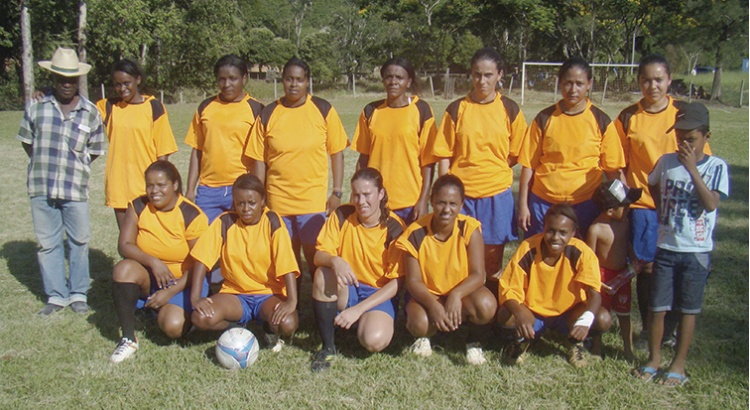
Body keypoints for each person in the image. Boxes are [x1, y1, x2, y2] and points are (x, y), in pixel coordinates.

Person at [615, 54, 712, 349]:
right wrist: (625, 198)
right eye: (646, 79)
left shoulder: (684, 114)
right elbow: (619, 163)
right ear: (638, 82)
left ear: (669, 80)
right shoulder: (629, 116)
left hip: (681, 206)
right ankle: (648, 330)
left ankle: (669, 328)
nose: (652, 85)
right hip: (644, 205)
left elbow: (703, 157)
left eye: (658, 79)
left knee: (677, 267)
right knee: (646, 268)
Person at [632, 102, 729, 386]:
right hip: (667, 248)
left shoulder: (715, 167)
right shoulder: (665, 161)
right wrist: (662, 205)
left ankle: (678, 364)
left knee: (688, 309)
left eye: (691, 139)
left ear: (706, 137)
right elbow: (652, 182)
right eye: (679, 137)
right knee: (657, 307)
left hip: (695, 252)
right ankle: (654, 358)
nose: (683, 143)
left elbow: (710, 203)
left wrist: (692, 169)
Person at [16, 47, 106, 316]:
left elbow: (94, 149)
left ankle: (78, 293)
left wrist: (72, 168)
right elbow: (27, 142)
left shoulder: (90, 112)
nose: (66, 84)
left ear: (78, 80)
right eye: (61, 78)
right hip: (41, 186)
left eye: (71, 79)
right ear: (53, 78)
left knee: (79, 241)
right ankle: (56, 296)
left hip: (74, 189)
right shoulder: (37, 107)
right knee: (48, 243)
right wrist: (47, 164)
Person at [433, 47, 527, 293]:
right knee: (459, 252)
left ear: (500, 75)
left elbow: (516, 152)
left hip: (496, 194)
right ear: (470, 75)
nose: (482, 81)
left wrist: (492, 169)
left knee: (492, 257)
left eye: (488, 75)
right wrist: (446, 191)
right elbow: (444, 153)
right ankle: (461, 306)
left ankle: (491, 310)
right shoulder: (456, 109)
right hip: (462, 197)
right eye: (477, 74)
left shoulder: (510, 109)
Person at [245, 57, 348, 278]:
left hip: (313, 201)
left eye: (299, 80)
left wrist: (337, 192)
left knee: (316, 258)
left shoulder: (322, 109)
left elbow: (337, 153)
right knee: (286, 262)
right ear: (282, 81)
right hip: (278, 200)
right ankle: (293, 305)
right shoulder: (269, 113)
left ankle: (320, 303)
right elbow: (259, 160)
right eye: (289, 79)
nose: (294, 84)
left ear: (307, 82)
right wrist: (261, 196)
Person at [109, 160, 209, 363]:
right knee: (123, 269)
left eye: (161, 185)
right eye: (150, 185)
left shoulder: (191, 214)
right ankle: (129, 338)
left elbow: (200, 264)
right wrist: (154, 262)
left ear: (174, 185)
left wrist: (170, 292)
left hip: (183, 282)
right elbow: (125, 245)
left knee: (172, 327)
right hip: (150, 276)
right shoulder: (138, 205)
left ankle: (162, 310)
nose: (154, 191)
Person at [395, 175, 497, 365]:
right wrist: (434, 305)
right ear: (431, 200)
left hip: (461, 293)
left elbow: (478, 275)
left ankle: (473, 341)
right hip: (428, 294)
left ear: (461, 204)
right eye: (441, 202)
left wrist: (456, 295)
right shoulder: (415, 233)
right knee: (420, 323)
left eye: (453, 203)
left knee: (486, 305)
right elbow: (413, 282)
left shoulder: (469, 229)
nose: (447, 209)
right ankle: (425, 336)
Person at [518, 56, 625, 237]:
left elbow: (614, 171)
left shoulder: (601, 120)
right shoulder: (544, 118)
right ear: (560, 83)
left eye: (579, 84)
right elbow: (529, 166)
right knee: (541, 257)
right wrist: (523, 205)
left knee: (578, 257)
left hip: (585, 203)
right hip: (543, 202)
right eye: (568, 83)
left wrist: (621, 206)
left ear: (589, 84)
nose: (573, 89)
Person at [189, 174, 299, 351]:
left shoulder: (272, 221)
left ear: (262, 201)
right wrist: (196, 297)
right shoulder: (225, 222)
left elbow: (287, 265)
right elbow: (202, 260)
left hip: (268, 293)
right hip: (235, 294)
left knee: (287, 324)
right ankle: (237, 329)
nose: (246, 208)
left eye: (251, 202)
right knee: (200, 318)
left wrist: (292, 301)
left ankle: (267, 327)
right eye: (240, 203)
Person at [311, 168, 405, 372]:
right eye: (356, 195)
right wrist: (334, 260)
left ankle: (359, 321)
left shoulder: (394, 227)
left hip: (377, 294)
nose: (361, 201)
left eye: (367, 195)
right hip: (349, 286)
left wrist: (358, 310)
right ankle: (328, 346)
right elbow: (318, 256)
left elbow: (397, 283)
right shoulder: (342, 215)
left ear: (380, 194)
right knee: (322, 274)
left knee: (373, 341)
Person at [499, 203, 604, 367]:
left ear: (573, 233)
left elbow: (595, 293)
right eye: (551, 230)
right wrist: (520, 314)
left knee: (602, 318)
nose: (556, 237)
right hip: (534, 313)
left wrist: (586, 320)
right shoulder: (528, 248)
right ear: (544, 228)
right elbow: (508, 289)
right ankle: (522, 340)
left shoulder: (581, 252)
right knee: (507, 314)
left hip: (568, 313)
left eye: (563, 233)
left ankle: (575, 341)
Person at [351, 57, 437, 225]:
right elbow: (363, 159)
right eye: (389, 77)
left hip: (410, 202)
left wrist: (423, 199)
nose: (393, 81)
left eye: (399, 77)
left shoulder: (421, 110)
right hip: (376, 202)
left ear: (409, 81)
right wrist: (356, 194)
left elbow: (429, 162)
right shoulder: (370, 111)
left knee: (410, 250)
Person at [97, 59, 177, 229]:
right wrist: (47, 91)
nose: (122, 89)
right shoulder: (109, 106)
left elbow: (163, 151)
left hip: (146, 186)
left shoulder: (154, 107)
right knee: (127, 240)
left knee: (150, 237)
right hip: (119, 184)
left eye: (127, 83)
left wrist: (160, 184)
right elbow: (77, 105)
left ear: (138, 80)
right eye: (117, 84)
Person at [185, 54, 264, 222]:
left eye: (233, 78)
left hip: (242, 189)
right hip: (208, 190)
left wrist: (257, 190)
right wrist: (190, 190)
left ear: (244, 78)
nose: (226, 84)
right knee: (206, 242)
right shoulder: (205, 107)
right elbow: (197, 150)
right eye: (221, 79)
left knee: (238, 243)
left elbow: (261, 158)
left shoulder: (256, 109)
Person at [587, 179, 642, 363]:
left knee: (624, 315)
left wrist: (633, 258)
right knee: (600, 312)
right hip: (603, 277)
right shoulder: (595, 229)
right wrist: (595, 280)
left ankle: (628, 348)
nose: (628, 210)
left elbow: (626, 244)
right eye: (625, 207)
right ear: (610, 210)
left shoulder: (624, 222)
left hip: (622, 275)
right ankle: (596, 346)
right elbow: (590, 257)